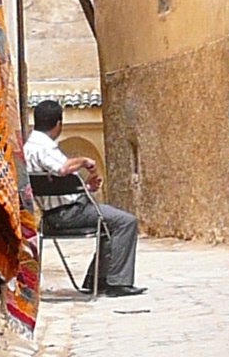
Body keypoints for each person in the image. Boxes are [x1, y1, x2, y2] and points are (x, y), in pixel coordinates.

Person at [22, 100, 141, 296]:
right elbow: (62, 169)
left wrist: (85, 188)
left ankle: (97, 279)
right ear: (58, 123)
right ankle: (118, 282)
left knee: (108, 223)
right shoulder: (43, 147)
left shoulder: (29, 147)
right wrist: (84, 161)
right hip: (68, 214)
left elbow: (54, 186)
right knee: (126, 222)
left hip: (52, 213)